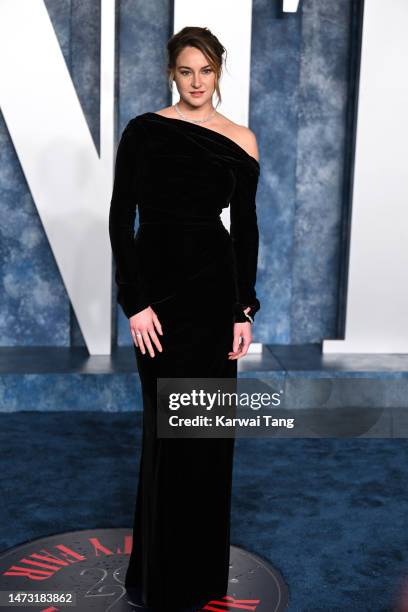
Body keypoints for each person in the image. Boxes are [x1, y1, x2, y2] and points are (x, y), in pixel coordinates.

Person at [109, 26, 261, 612]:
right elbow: (123, 220)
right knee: (165, 435)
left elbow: (246, 231)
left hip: (214, 296)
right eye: (186, 71)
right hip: (160, 300)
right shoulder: (145, 131)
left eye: (207, 71)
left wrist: (243, 308)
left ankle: (200, 577)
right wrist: (135, 301)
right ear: (173, 73)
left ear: (219, 74)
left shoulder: (241, 139)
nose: (197, 82)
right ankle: (160, 580)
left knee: (206, 435)